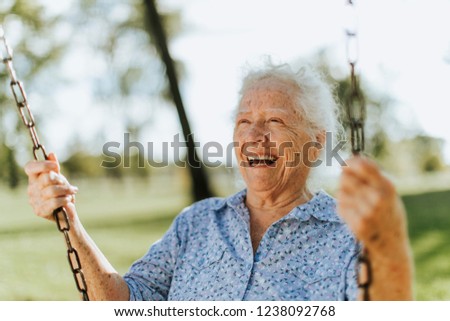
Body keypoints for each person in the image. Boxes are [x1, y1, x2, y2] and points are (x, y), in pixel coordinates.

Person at [25, 63, 413, 300]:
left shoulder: (350, 236)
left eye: (275, 121)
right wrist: (71, 223)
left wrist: (390, 242)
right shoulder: (195, 225)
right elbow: (125, 304)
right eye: (244, 122)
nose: (253, 135)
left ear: (316, 144)